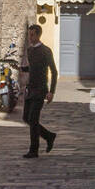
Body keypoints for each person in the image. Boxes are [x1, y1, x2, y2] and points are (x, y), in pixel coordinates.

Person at [20, 25, 57, 158]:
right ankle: (49, 136)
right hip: (30, 89)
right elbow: (33, 68)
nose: (30, 37)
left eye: (32, 35)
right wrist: (22, 69)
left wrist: (51, 91)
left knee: (33, 119)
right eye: (29, 35)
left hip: (40, 90)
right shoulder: (30, 50)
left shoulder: (46, 51)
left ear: (38, 35)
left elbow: (54, 71)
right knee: (26, 118)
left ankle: (33, 150)